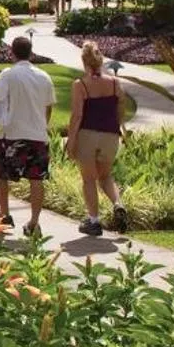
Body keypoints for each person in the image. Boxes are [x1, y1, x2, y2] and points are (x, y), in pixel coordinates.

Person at [0, 35, 55, 238]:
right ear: (31, 52)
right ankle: (34, 222)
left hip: (12, 134)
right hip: (38, 135)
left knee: (0, 174)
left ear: (12, 52)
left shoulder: (9, 74)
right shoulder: (44, 76)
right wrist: (42, 125)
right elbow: (48, 107)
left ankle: (5, 213)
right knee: (36, 179)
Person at [64, 41, 127, 236]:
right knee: (106, 176)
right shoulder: (115, 83)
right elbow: (120, 109)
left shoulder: (80, 85)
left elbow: (77, 116)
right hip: (110, 135)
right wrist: (122, 129)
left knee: (89, 179)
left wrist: (70, 141)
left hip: (88, 135)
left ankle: (93, 221)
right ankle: (118, 204)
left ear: (84, 62)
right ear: (101, 61)